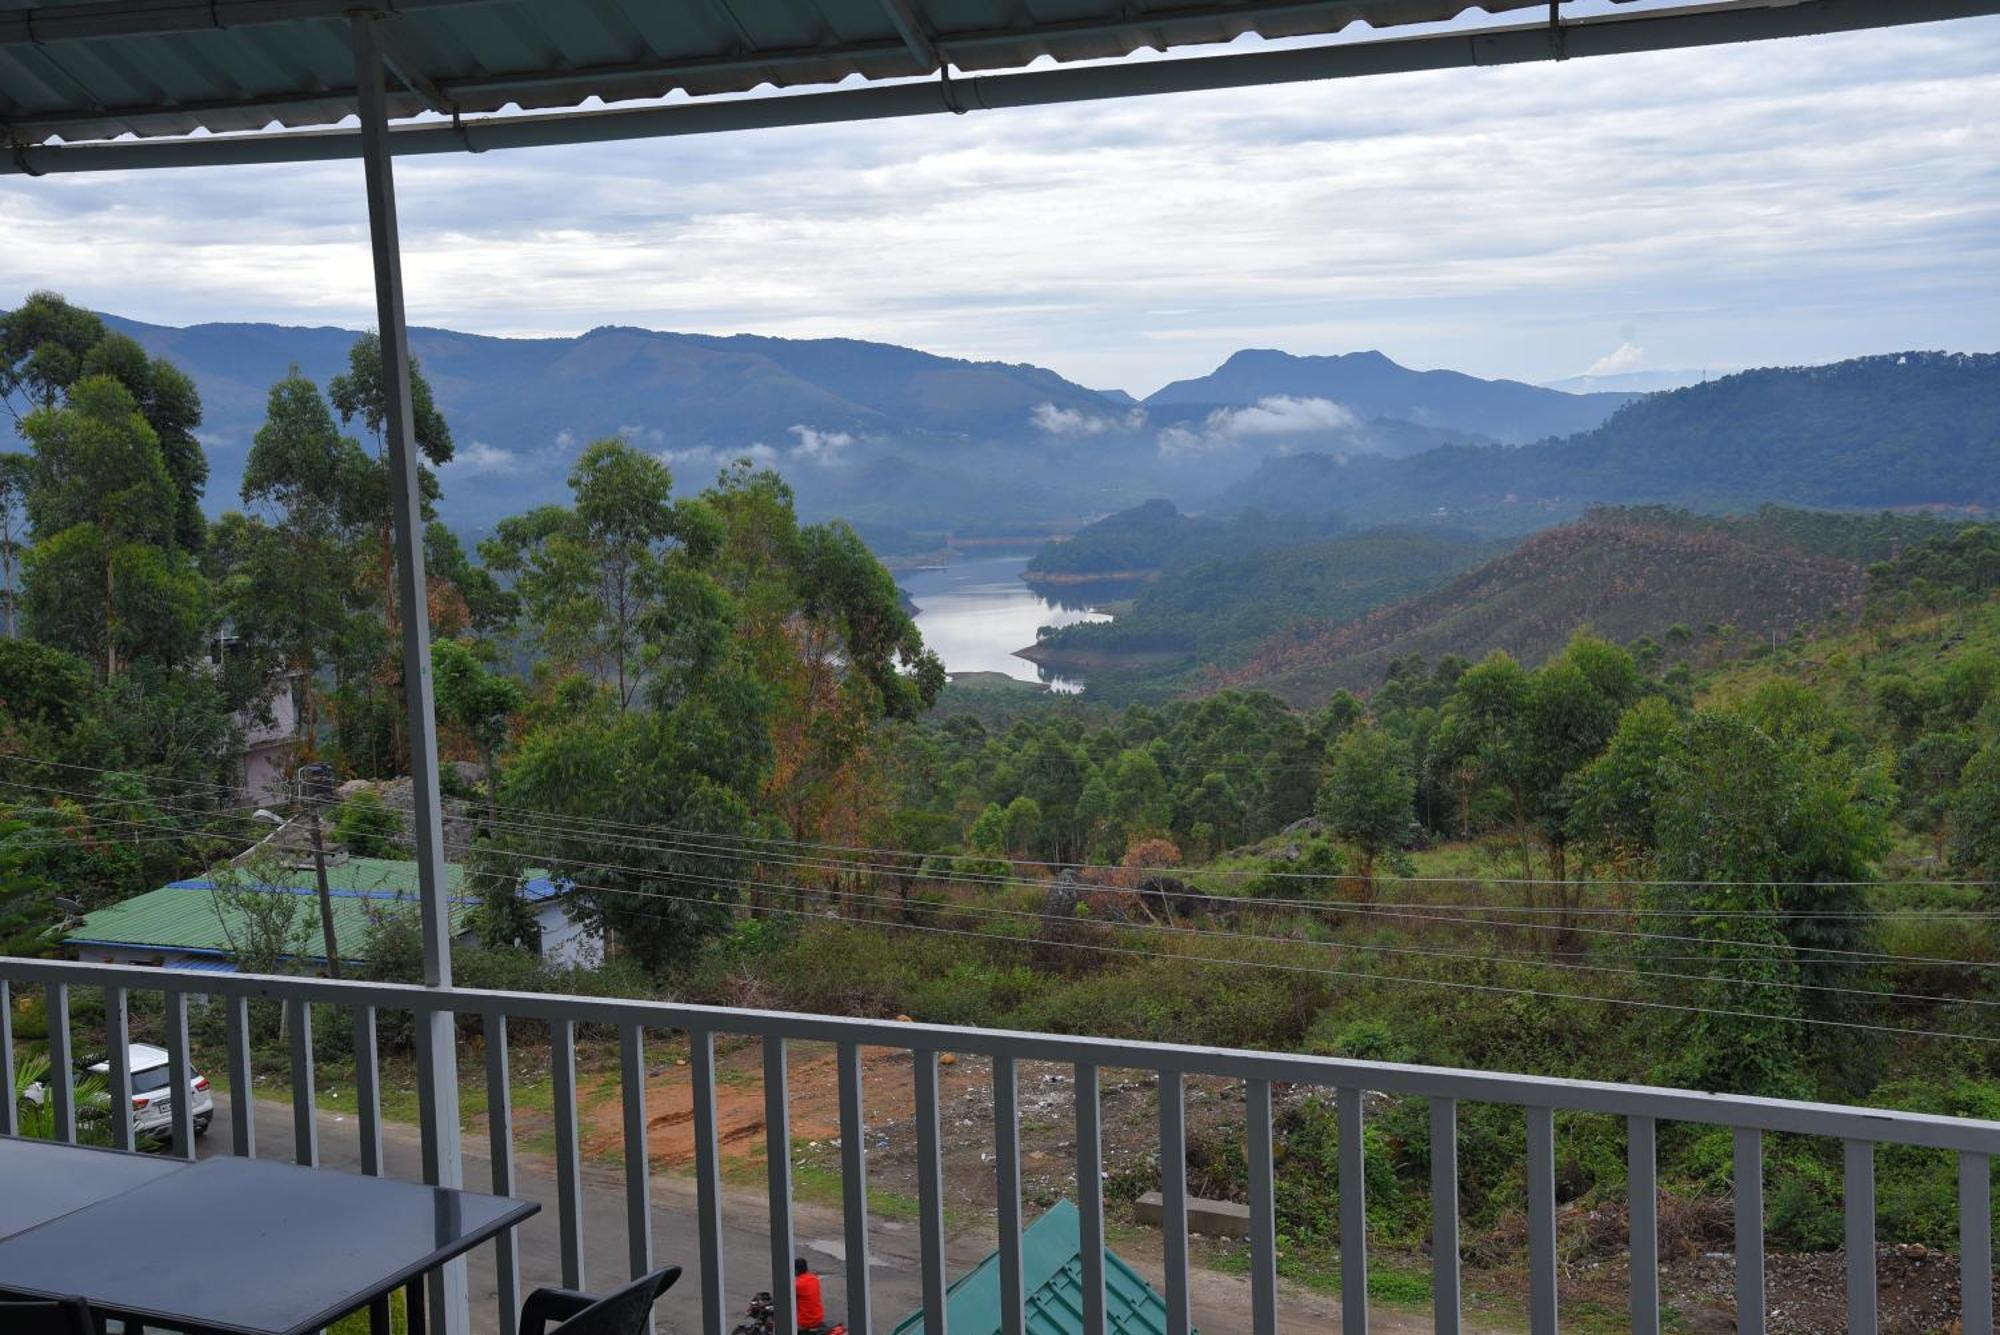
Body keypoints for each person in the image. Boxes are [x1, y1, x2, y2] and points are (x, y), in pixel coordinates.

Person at [794, 1257, 826, 1335]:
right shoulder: (814, 1279)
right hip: (818, 1317)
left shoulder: (797, 1284)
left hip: (805, 1321)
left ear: (796, 1270)